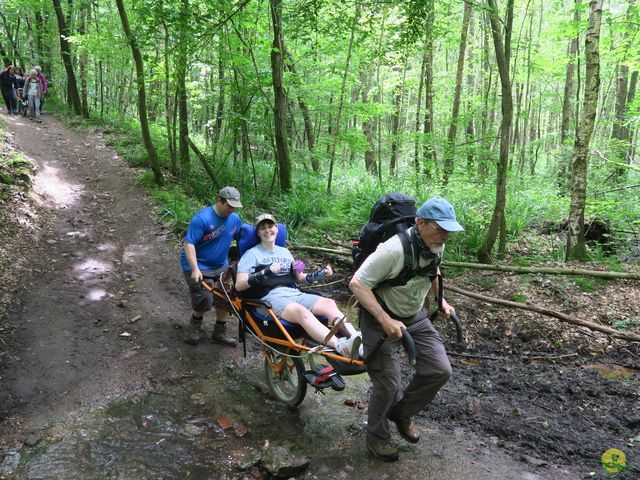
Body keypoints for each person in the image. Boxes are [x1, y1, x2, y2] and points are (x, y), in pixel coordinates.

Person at [349, 197, 463, 462]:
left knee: (440, 370)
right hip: (380, 318)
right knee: (388, 383)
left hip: (415, 316)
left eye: (449, 230)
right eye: (440, 229)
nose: (445, 236)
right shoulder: (392, 250)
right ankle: (377, 437)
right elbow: (357, 284)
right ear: (420, 223)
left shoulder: (436, 243)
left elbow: (433, 270)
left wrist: (440, 300)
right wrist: (385, 319)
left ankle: (400, 413)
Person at [236, 213, 362, 358]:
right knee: (301, 311)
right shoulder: (252, 254)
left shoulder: (285, 252)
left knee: (329, 303)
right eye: (262, 228)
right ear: (258, 232)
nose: (267, 230)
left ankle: (356, 341)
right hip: (269, 298)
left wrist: (320, 274)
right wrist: (265, 272)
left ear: (277, 229)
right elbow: (239, 286)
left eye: (270, 226)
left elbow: (300, 278)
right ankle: (340, 345)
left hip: (293, 293)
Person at [180, 186, 243, 346]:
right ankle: (194, 326)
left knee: (225, 296)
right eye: (229, 205)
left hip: (220, 264)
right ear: (219, 200)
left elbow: (240, 238)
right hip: (198, 264)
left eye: (234, 207)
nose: (232, 209)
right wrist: (195, 269)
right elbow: (189, 244)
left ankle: (219, 332)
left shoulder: (235, 219)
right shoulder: (202, 219)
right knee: (204, 298)